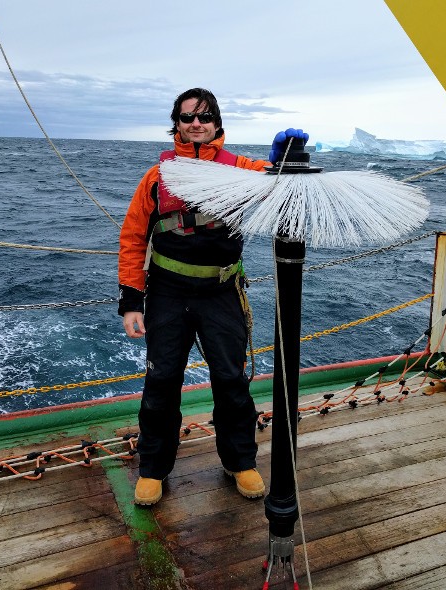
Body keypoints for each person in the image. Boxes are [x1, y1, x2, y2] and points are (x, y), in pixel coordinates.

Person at [118, 87, 307, 506]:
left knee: (230, 379)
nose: (196, 123)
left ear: (217, 122)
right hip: (167, 293)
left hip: (222, 292)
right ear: (177, 125)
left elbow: (280, 186)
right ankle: (153, 468)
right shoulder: (156, 178)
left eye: (204, 116)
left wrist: (283, 163)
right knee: (162, 381)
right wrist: (131, 301)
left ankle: (240, 461)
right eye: (187, 118)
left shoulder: (242, 169)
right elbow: (133, 238)